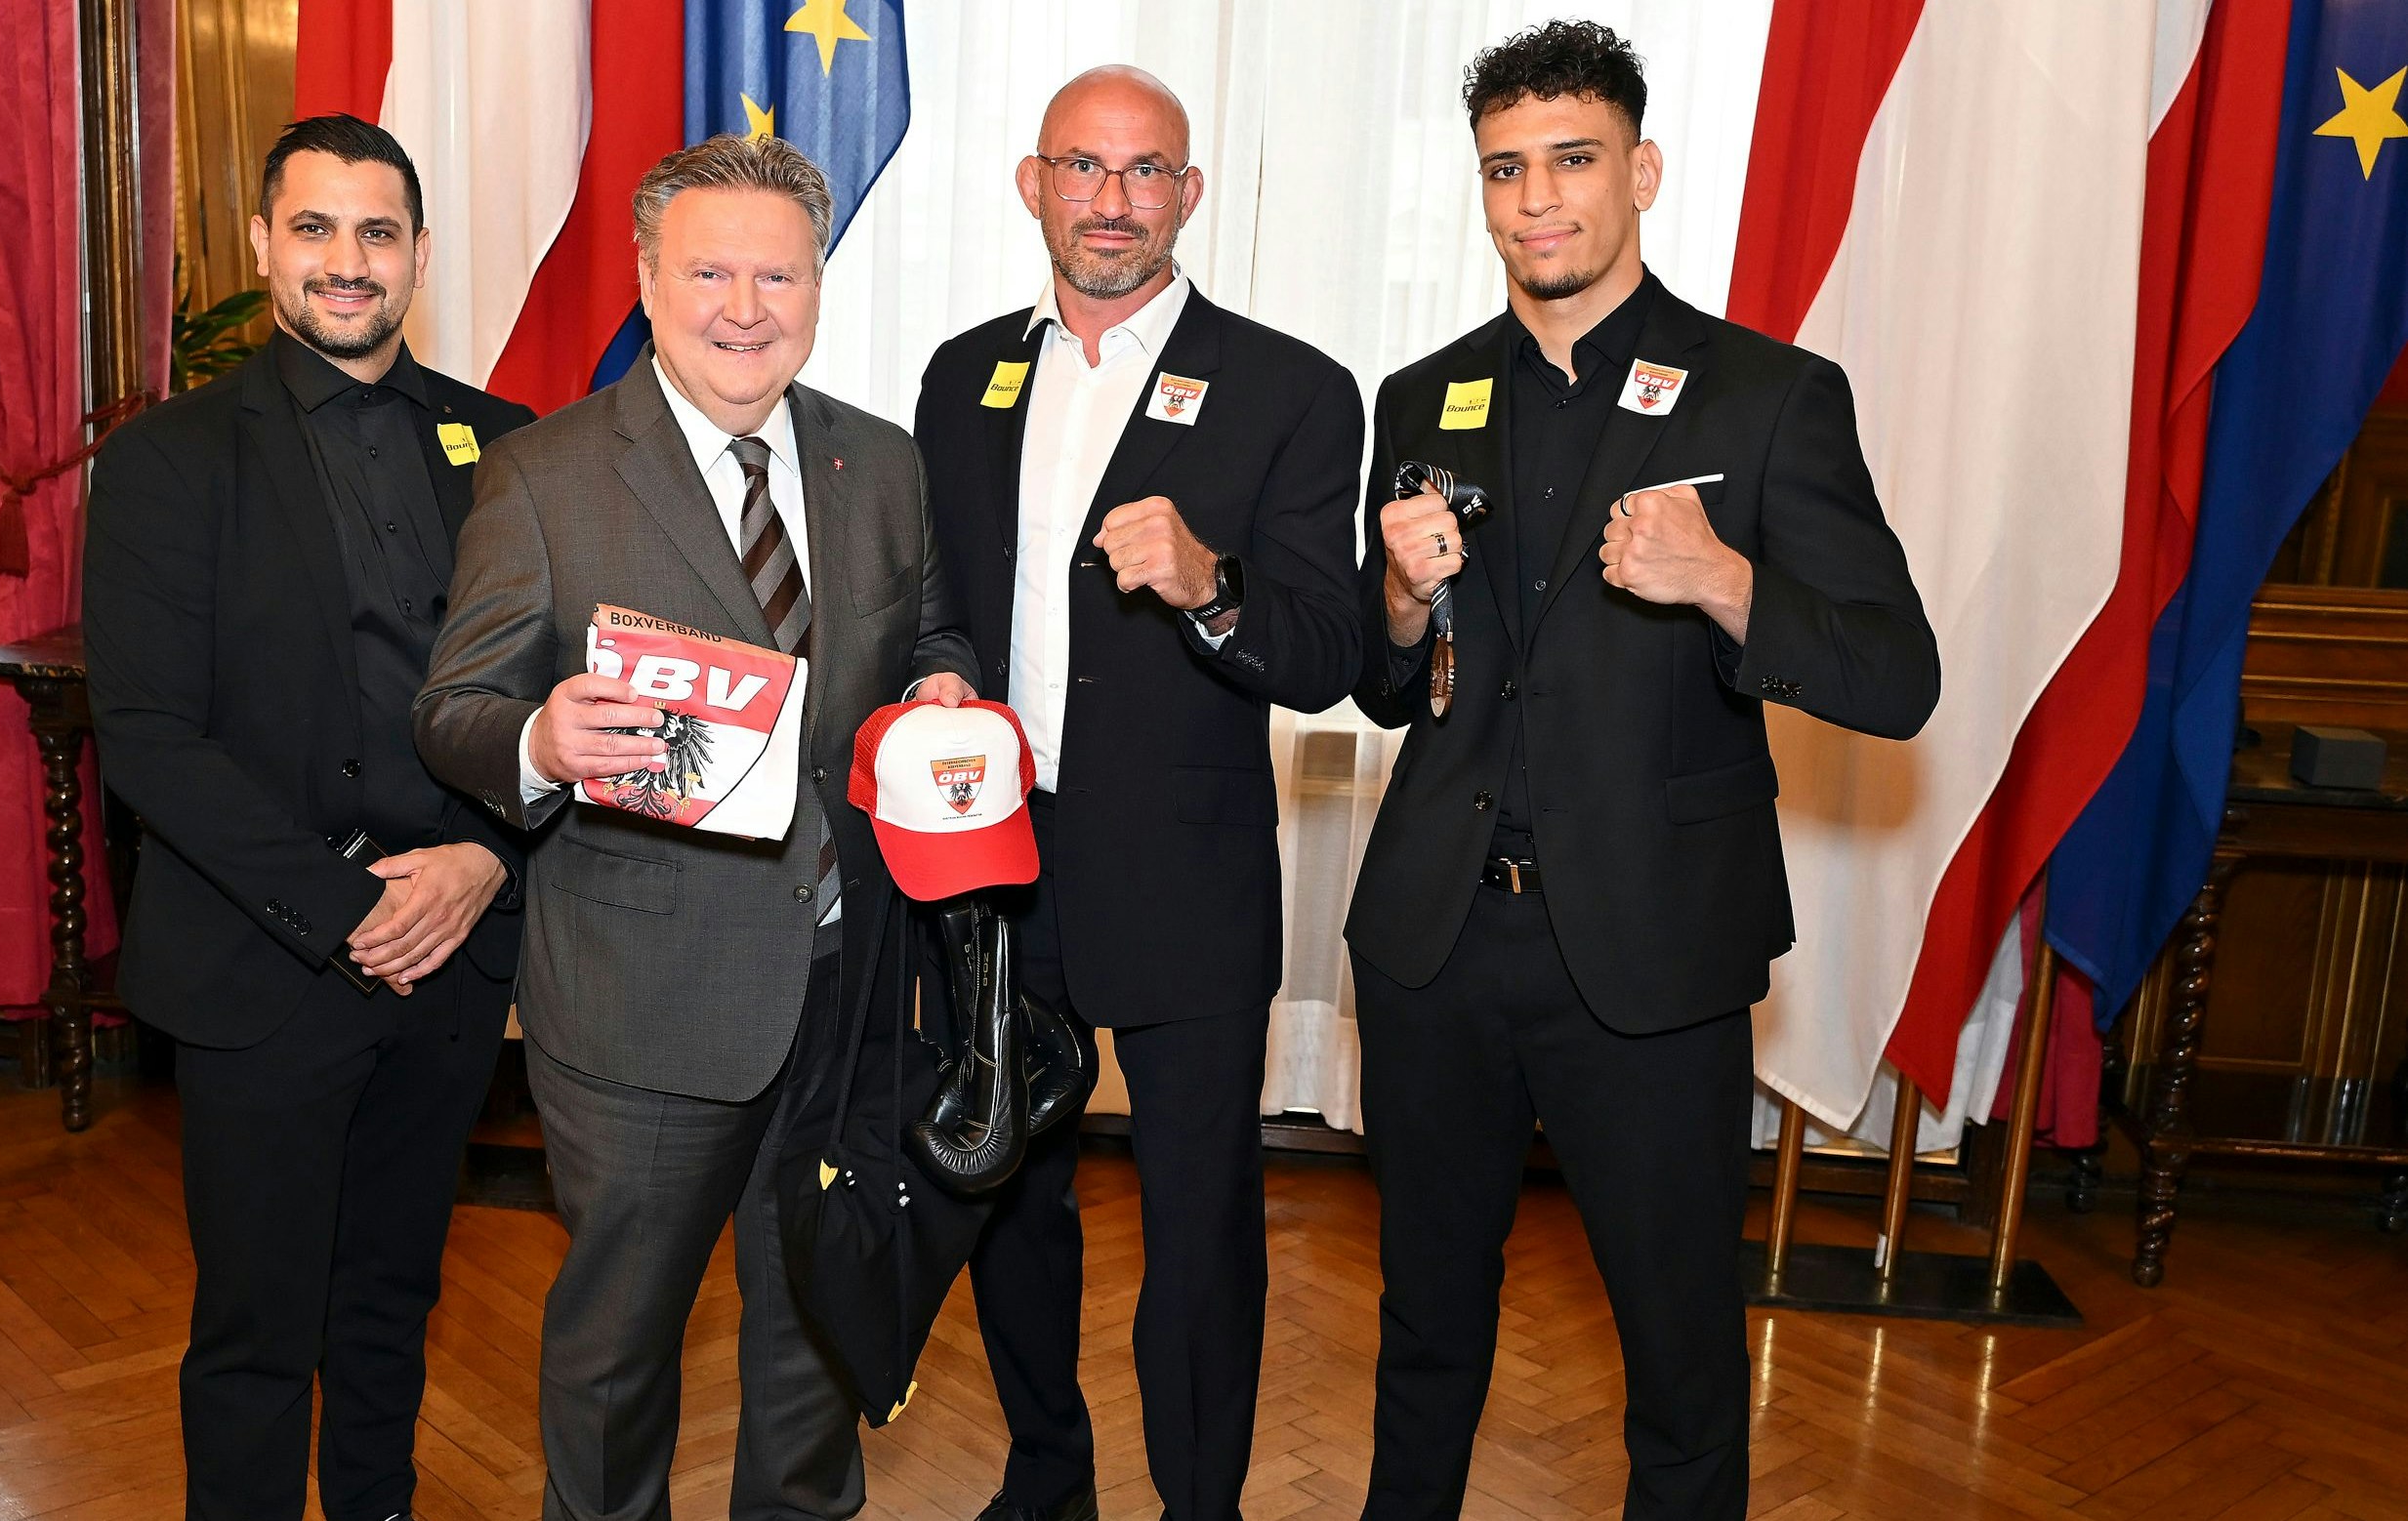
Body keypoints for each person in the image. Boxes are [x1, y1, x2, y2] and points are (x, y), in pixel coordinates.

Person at [1345, 22, 1939, 1521]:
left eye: (1571, 159)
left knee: (1676, 1346)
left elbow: (1893, 671)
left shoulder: (1766, 395)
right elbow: (1379, 678)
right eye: (1505, 169)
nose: (1537, 198)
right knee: (1422, 1320)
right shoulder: (1419, 396)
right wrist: (1402, 603)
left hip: (1654, 948)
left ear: (1641, 171)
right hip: (1435, 939)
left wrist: (1729, 579)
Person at [411, 134, 978, 1521]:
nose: (744, 304)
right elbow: (453, 708)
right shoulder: (543, 474)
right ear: (648, 282)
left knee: (816, 1331)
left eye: (775, 272)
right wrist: (540, 736)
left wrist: (940, 681)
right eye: (710, 270)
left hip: (847, 990)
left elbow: (926, 628)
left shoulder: (882, 461)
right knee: (617, 1349)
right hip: (640, 1003)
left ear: (816, 284)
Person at [913, 65, 1365, 1521]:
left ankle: (1197, 1504)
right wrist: (930, 674)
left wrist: (1211, 586)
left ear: (1187, 191)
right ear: (1032, 184)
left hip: (1185, 879)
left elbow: (1325, 654)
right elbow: (941, 600)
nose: (1112, 200)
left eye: (1145, 170)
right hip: (996, 865)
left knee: (1199, 1223)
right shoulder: (962, 371)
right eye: (1083, 168)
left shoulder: (1291, 387)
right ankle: (1046, 1474)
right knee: (1009, 1198)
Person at [84, 114, 532, 1521]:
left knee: (393, 1297)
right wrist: (354, 911)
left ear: (416, 256)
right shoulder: (167, 459)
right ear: (265, 245)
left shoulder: (507, 447)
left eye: (379, 233)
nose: (350, 262)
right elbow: (152, 740)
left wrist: (481, 858)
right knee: (257, 1330)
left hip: (453, 955)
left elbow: (555, 698)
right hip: (264, 968)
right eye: (319, 229)